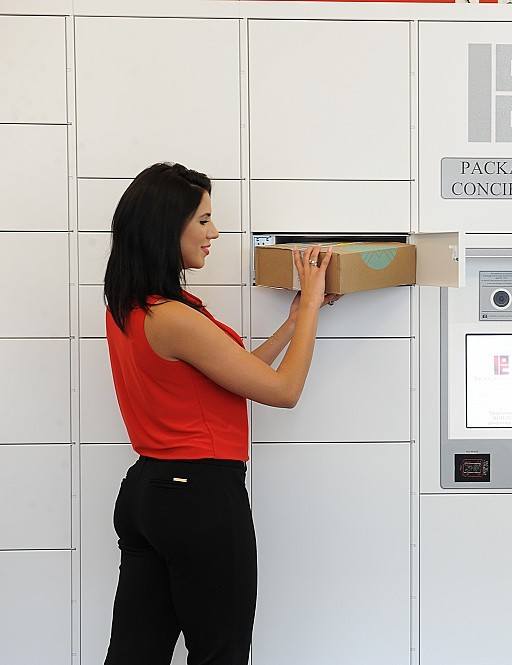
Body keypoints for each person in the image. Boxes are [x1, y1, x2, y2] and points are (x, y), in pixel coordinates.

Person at [102, 162, 338, 665]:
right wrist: (314, 305)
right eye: (204, 220)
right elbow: (283, 390)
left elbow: (237, 376)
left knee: (134, 655)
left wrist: (291, 323)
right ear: (169, 227)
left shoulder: (134, 306)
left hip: (149, 492)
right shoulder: (174, 318)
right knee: (220, 655)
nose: (215, 233)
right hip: (200, 500)